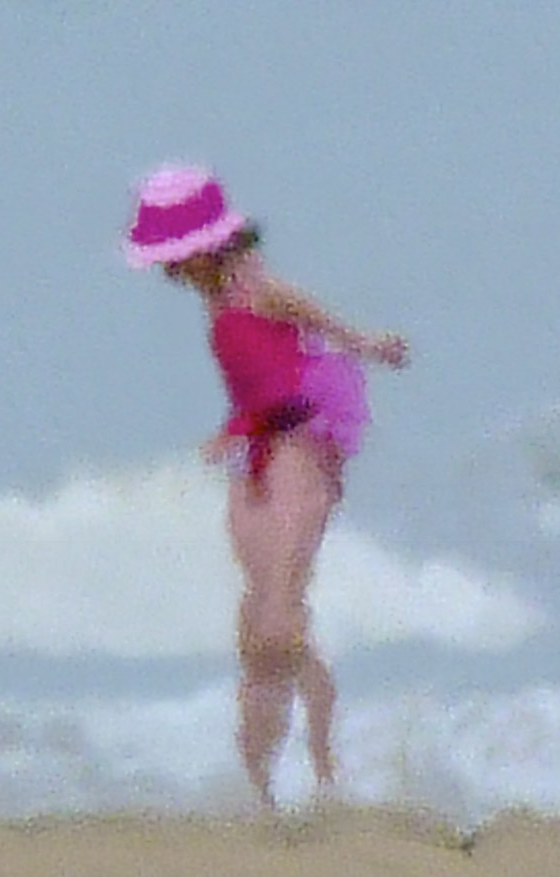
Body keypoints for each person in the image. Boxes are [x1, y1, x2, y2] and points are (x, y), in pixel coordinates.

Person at [125, 165, 408, 807]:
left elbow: (321, 323)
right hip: (257, 447)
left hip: (299, 451)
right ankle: (256, 784)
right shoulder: (218, 304)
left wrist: (369, 344)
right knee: (258, 628)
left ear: (207, 248)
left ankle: (331, 766)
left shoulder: (258, 288)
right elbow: (259, 377)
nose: (174, 273)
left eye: (179, 259)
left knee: (280, 619)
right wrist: (232, 430)